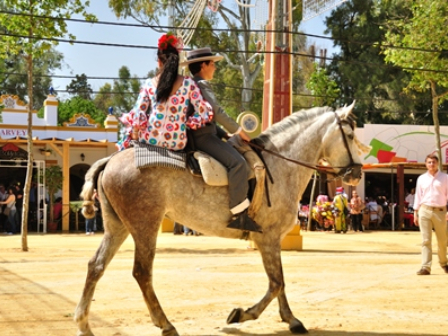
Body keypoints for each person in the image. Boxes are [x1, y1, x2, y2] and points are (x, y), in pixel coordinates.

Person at [182, 47, 262, 233]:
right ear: (203, 65)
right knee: (239, 164)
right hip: (203, 138)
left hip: (205, 134)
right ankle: (238, 215)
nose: (215, 68)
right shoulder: (201, 84)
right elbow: (216, 111)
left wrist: (225, 135)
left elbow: (206, 116)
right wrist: (240, 132)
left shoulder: (193, 84)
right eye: (212, 64)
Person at [116, 33, 213, 151]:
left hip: (150, 139)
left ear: (159, 62)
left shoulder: (149, 84)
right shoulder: (188, 83)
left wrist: (134, 135)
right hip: (177, 142)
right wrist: (187, 122)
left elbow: (137, 115)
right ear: (176, 61)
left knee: (124, 143)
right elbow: (202, 111)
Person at [413, 154, 448, 275]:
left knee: (442, 240)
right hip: (425, 210)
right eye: (429, 162)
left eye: (433, 162)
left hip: (440, 212)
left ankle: (444, 263)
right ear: (425, 164)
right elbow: (418, 196)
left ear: (438, 163)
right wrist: (415, 212)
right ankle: (426, 266)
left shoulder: (445, 178)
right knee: (426, 240)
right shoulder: (421, 178)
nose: (431, 164)